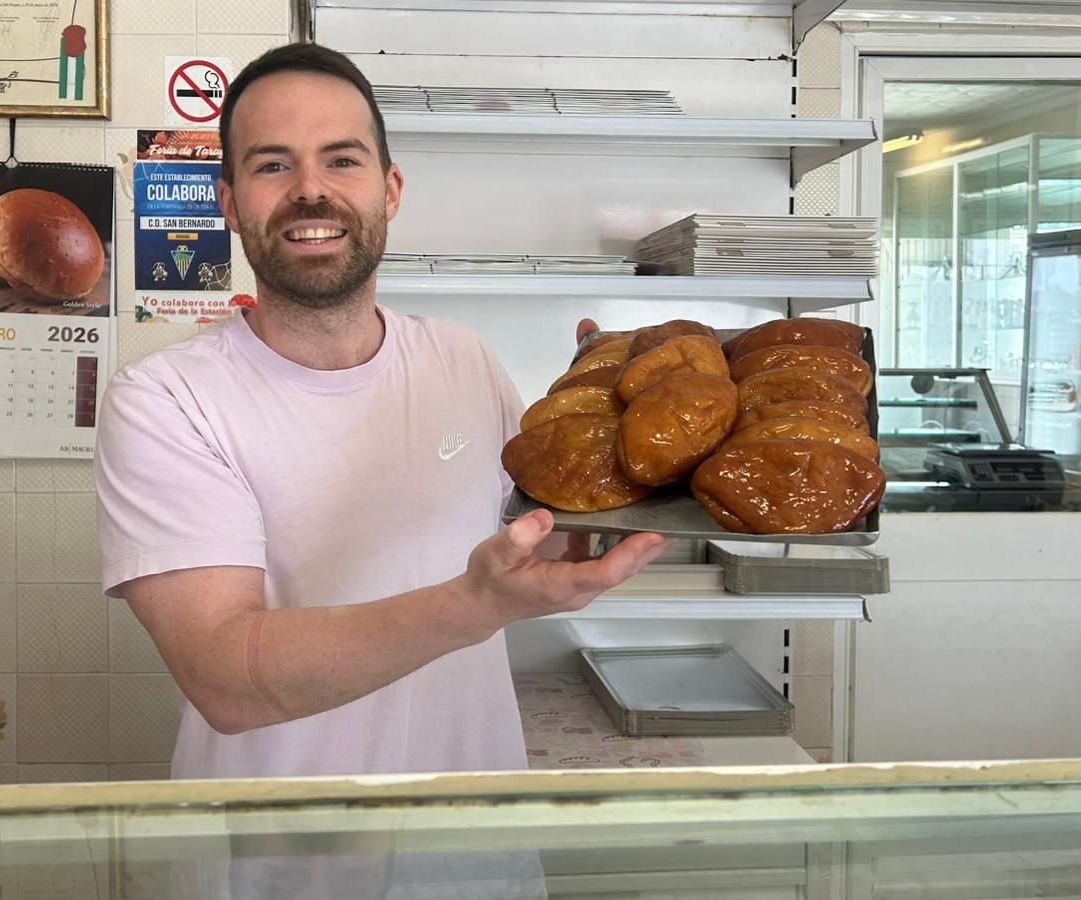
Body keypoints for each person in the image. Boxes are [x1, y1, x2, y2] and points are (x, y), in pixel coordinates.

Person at [96, 41, 668, 782]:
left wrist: (615, 458)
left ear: (389, 189)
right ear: (228, 201)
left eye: (342, 159)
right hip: (275, 863)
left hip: (470, 849)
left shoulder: (463, 361)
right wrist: (472, 603)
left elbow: (534, 551)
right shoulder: (167, 402)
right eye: (273, 164)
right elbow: (224, 680)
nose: (310, 190)